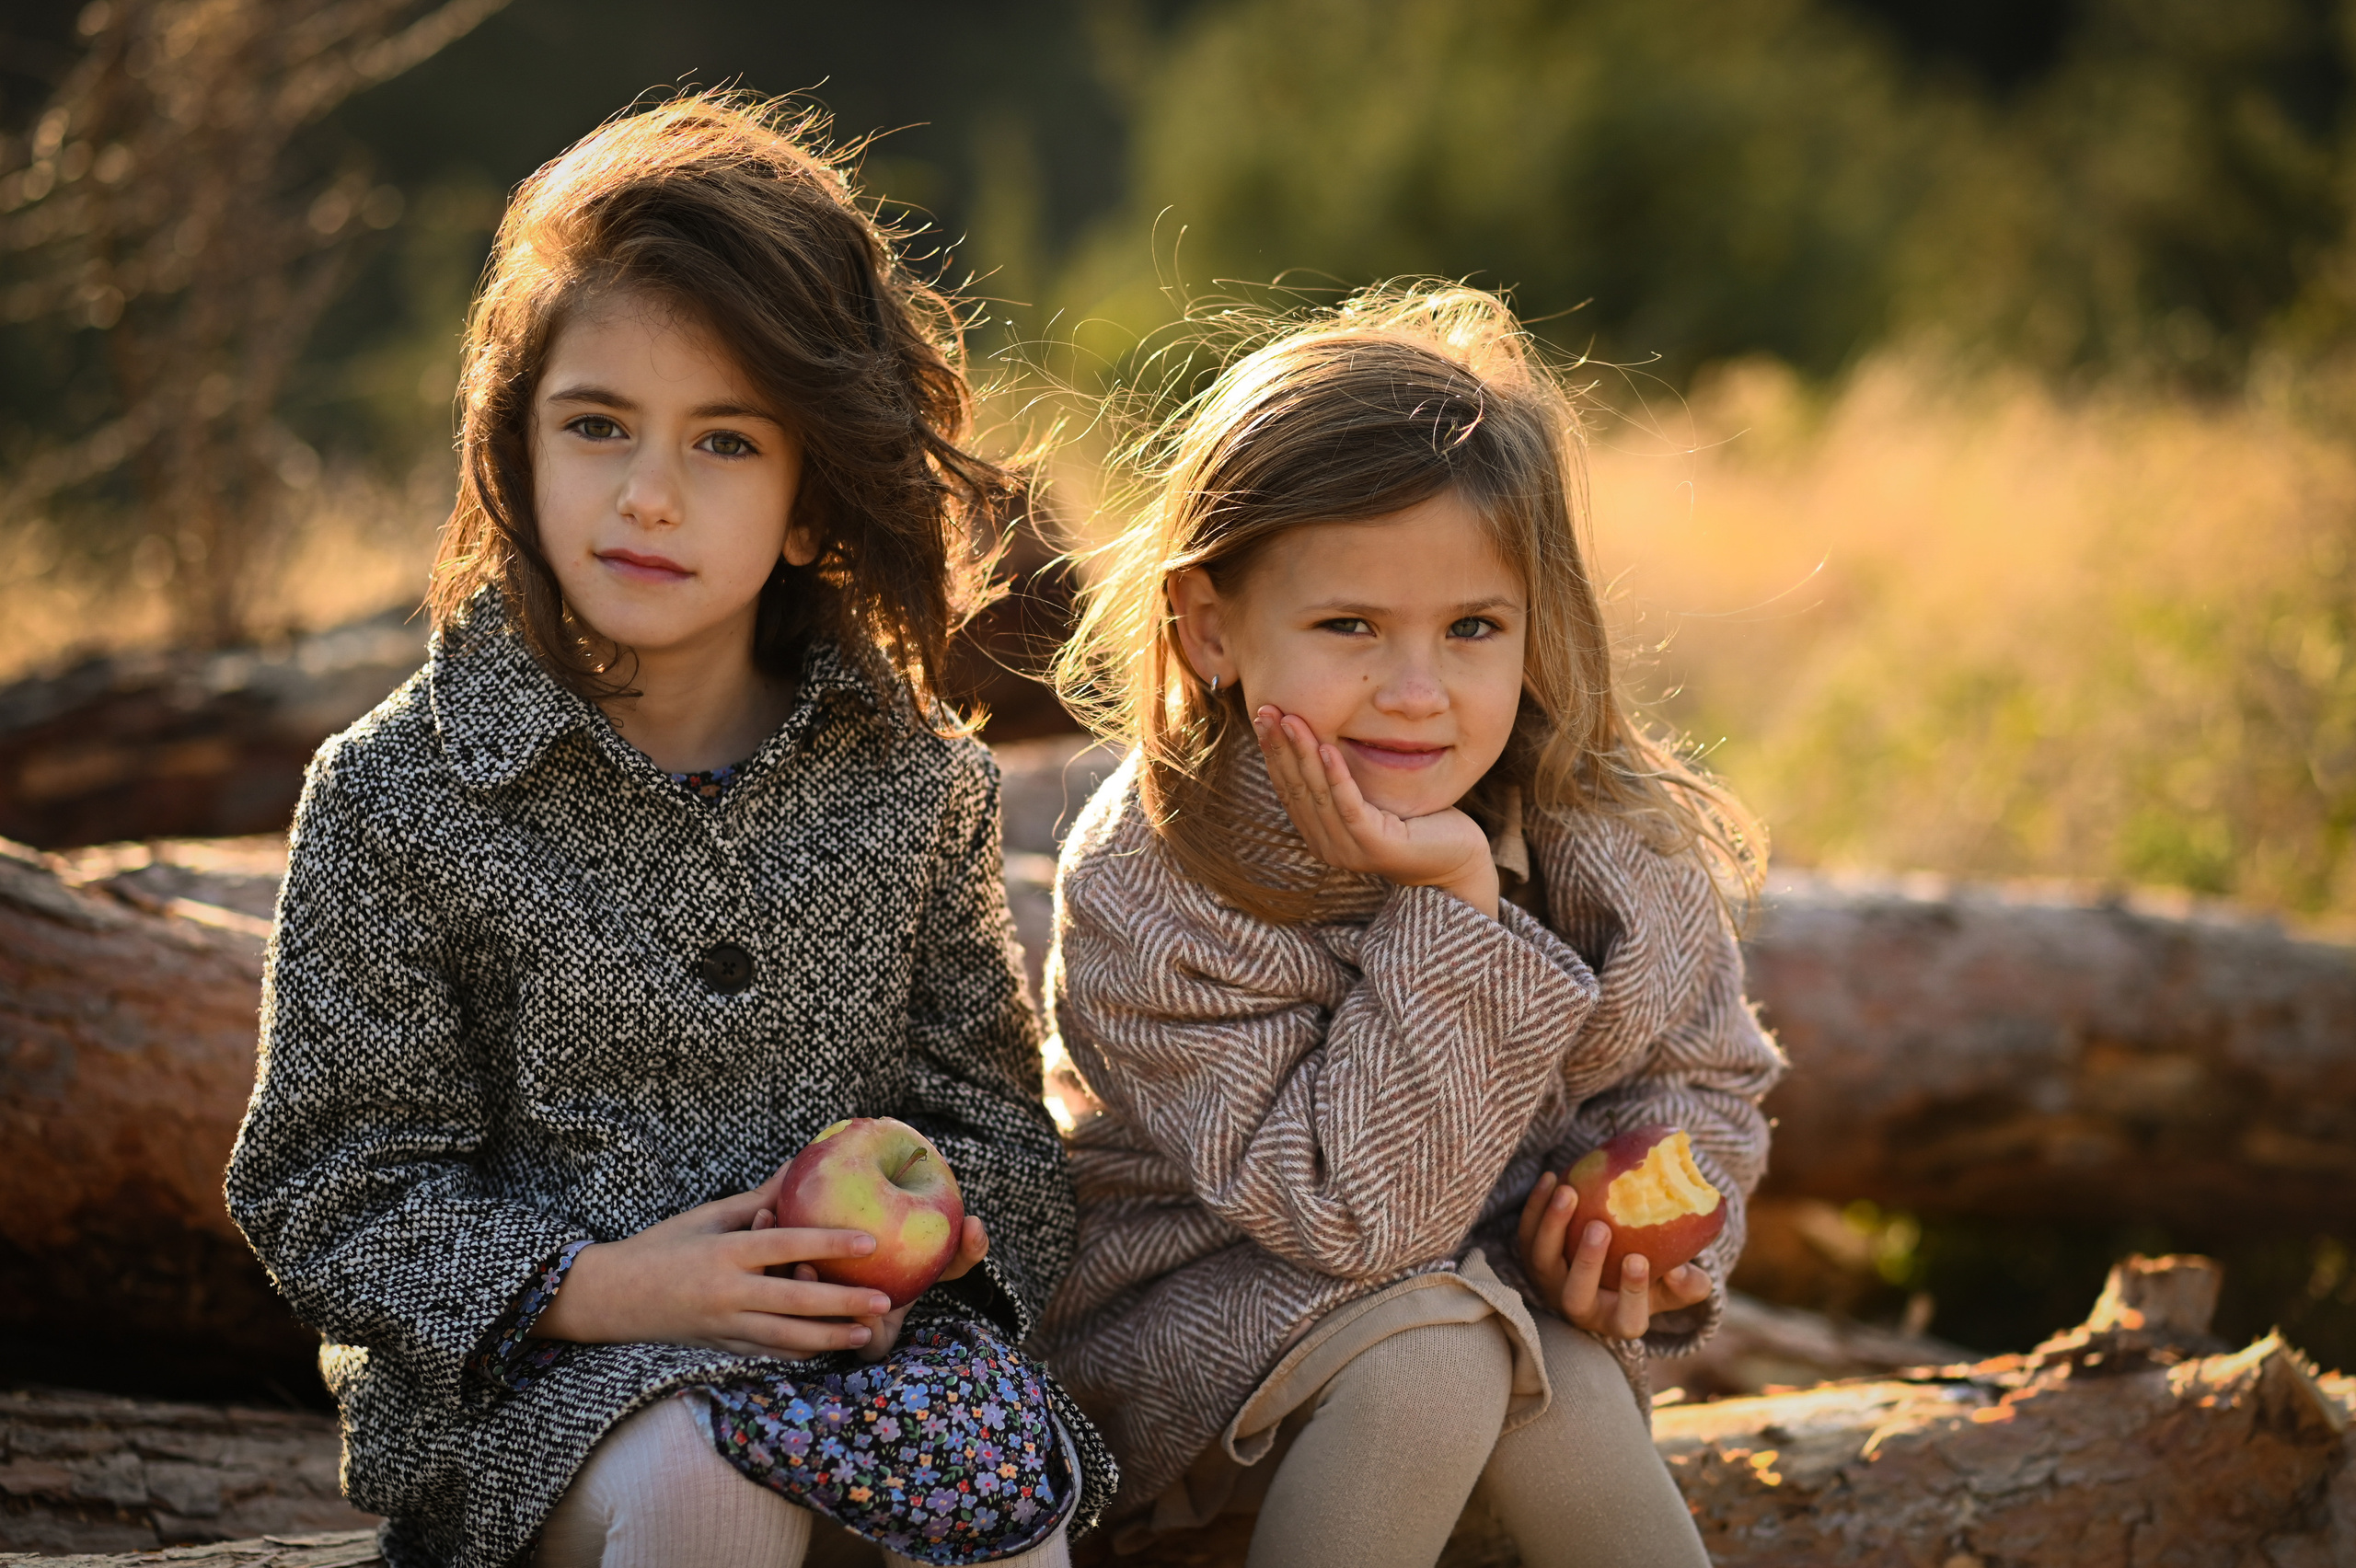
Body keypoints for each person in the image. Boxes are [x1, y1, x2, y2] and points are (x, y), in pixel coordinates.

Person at [225, 95, 1111, 1568]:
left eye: (724, 443)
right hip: (540, 1398)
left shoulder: (914, 784)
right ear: (516, 446)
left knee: (1011, 1501)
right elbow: (328, 1187)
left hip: (867, 1370)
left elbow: (999, 1136)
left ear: (812, 500)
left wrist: (942, 1233)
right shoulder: (399, 795)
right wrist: (603, 1287)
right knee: (707, 1488)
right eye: (597, 426)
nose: (647, 494)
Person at [1036, 285, 1785, 1567]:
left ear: (1535, 625)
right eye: (1351, 628)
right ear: (1212, 629)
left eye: (1472, 628)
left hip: (1492, 1288)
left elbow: (1704, 1080)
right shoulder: (1155, 881)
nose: (1417, 691)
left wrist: (1646, 1248)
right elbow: (1355, 1224)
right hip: (1200, 1313)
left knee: (1561, 1378)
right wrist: (1450, 907)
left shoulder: (1596, 822)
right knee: (1443, 1353)